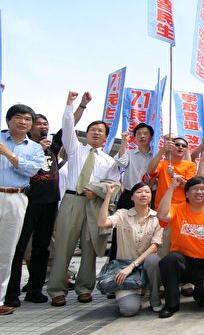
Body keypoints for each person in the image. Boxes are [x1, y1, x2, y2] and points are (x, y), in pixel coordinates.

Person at [6, 96, 90, 308]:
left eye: (46, 124)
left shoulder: (52, 145)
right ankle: (11, 292)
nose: (43, 127)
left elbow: (70, 124)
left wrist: (81, 105)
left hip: (50, 203)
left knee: (42, 248)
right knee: (18, 247)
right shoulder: (25, 147)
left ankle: (34, 289)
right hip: (28, 201)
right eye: (38, 123)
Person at [47, 91, 120, 307]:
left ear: (106, 138)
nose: (96, 133)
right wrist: (74, 104)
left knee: (89, 247)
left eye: (100, 131)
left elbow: (114, 185)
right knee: (63, 246)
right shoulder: (75, 149)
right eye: (93, 130)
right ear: (86, 134)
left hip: (93, 204)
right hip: (72, 201)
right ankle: (57, 289)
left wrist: (96, 190)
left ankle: (85, 288)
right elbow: (67, 126)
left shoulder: (108, 160)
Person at [156, 176, 204, 318]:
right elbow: (162, 215)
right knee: (169, 260)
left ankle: (200, 293)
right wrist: (171, 187)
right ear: (187, 193)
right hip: (183, 261)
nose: (199, 192)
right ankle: (171, 305)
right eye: (195, 189)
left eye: (203, 189)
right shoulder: (177, 208)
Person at [0, 104, 45, 315]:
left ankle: (0, 298)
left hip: (16, 197)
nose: (23, 122)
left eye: (27, 119)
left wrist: (8, 154)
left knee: (6, 250)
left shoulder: (35, 148)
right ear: (8, 120)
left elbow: (31, 169)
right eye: (18, 117)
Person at [96, 182, 163, 316]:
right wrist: (108, 195)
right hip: (125, 271)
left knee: (154, 260)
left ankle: (154, 299)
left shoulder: (157, 218)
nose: (143, 195)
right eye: (139, 192)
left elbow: (155, 246)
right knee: (128, 310)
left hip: (143, 266)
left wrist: (133, 265)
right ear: (132, 197)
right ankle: (133, 294)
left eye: (147, 192)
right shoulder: (122, 214)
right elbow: (102, 223)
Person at [110, 123, 154, 260]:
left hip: (150, 197)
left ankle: (142, 263)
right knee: (120, 229)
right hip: (129, 195)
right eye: (138, 134)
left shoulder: (156, 155)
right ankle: (114, 262)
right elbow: (120, 162)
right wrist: (124, 142)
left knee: (147, 231)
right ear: (134, 137)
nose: (142, 136)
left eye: (145, 133)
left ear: (151, 137)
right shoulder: (129, 153)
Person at [147, 135, 197, 226]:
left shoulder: (190, 165)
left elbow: (189, 188)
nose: (180, 147)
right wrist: (163, 150)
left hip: (181, 208)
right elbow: (150, 170)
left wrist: (174, 176)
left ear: (186, 150)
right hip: (162, 208)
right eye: (177, 144)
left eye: (183, 146)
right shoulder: (163, 163)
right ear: (171, 147)